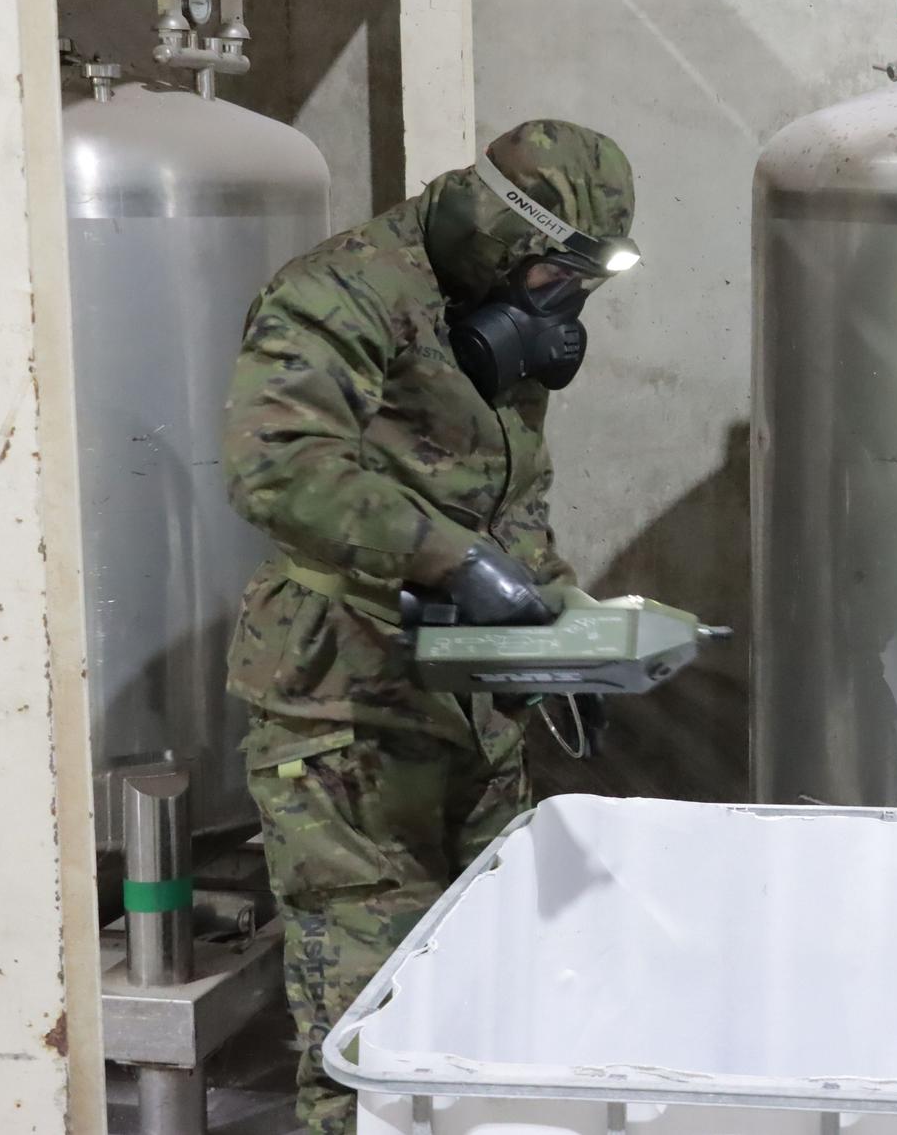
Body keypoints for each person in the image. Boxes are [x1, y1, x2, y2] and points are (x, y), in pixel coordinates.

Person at [220, 119, 636, 1134]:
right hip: (345, 714)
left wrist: (557, 625)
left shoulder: (498, 319)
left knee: (494, 999)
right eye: (554, 275)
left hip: (473, 715)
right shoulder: (337, 295)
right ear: (497, 234)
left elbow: (512, 500)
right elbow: (277, 466)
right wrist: (455, 560)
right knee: (368, 1035)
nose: (563, 306)